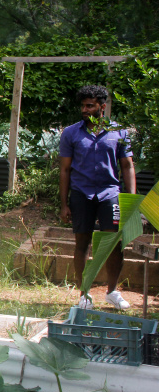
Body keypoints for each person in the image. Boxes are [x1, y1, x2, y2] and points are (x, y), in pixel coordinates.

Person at [59, 84, 136, 310]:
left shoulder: (119, 132)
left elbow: (127, 166)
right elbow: (64, 170)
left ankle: (112, 292)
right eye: (82, 105)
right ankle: (84, 294)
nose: (84, 109)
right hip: (81, 194)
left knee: (114, 244)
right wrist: (64, 204)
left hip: (109, 194)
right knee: (82, 243)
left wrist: (130, 202)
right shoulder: (71, 133)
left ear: (102, 107)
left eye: (89, 105)